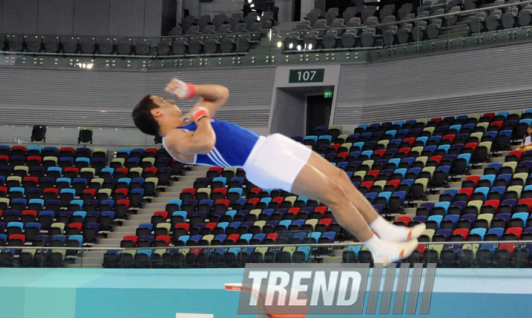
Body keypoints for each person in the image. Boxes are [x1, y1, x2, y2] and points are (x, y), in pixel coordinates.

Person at [132, 79, 425, 263]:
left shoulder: (188, 120)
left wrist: (192, 91)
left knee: (339, 177)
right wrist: (200, 115)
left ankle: (387, 229)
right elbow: (206, 142)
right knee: (334, 195)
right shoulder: (172, 139)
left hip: (270, 145)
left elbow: (220, 92)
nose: (170, 100)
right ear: (156, 113)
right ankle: (378, 248)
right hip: (260, 162)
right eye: (163, 101)